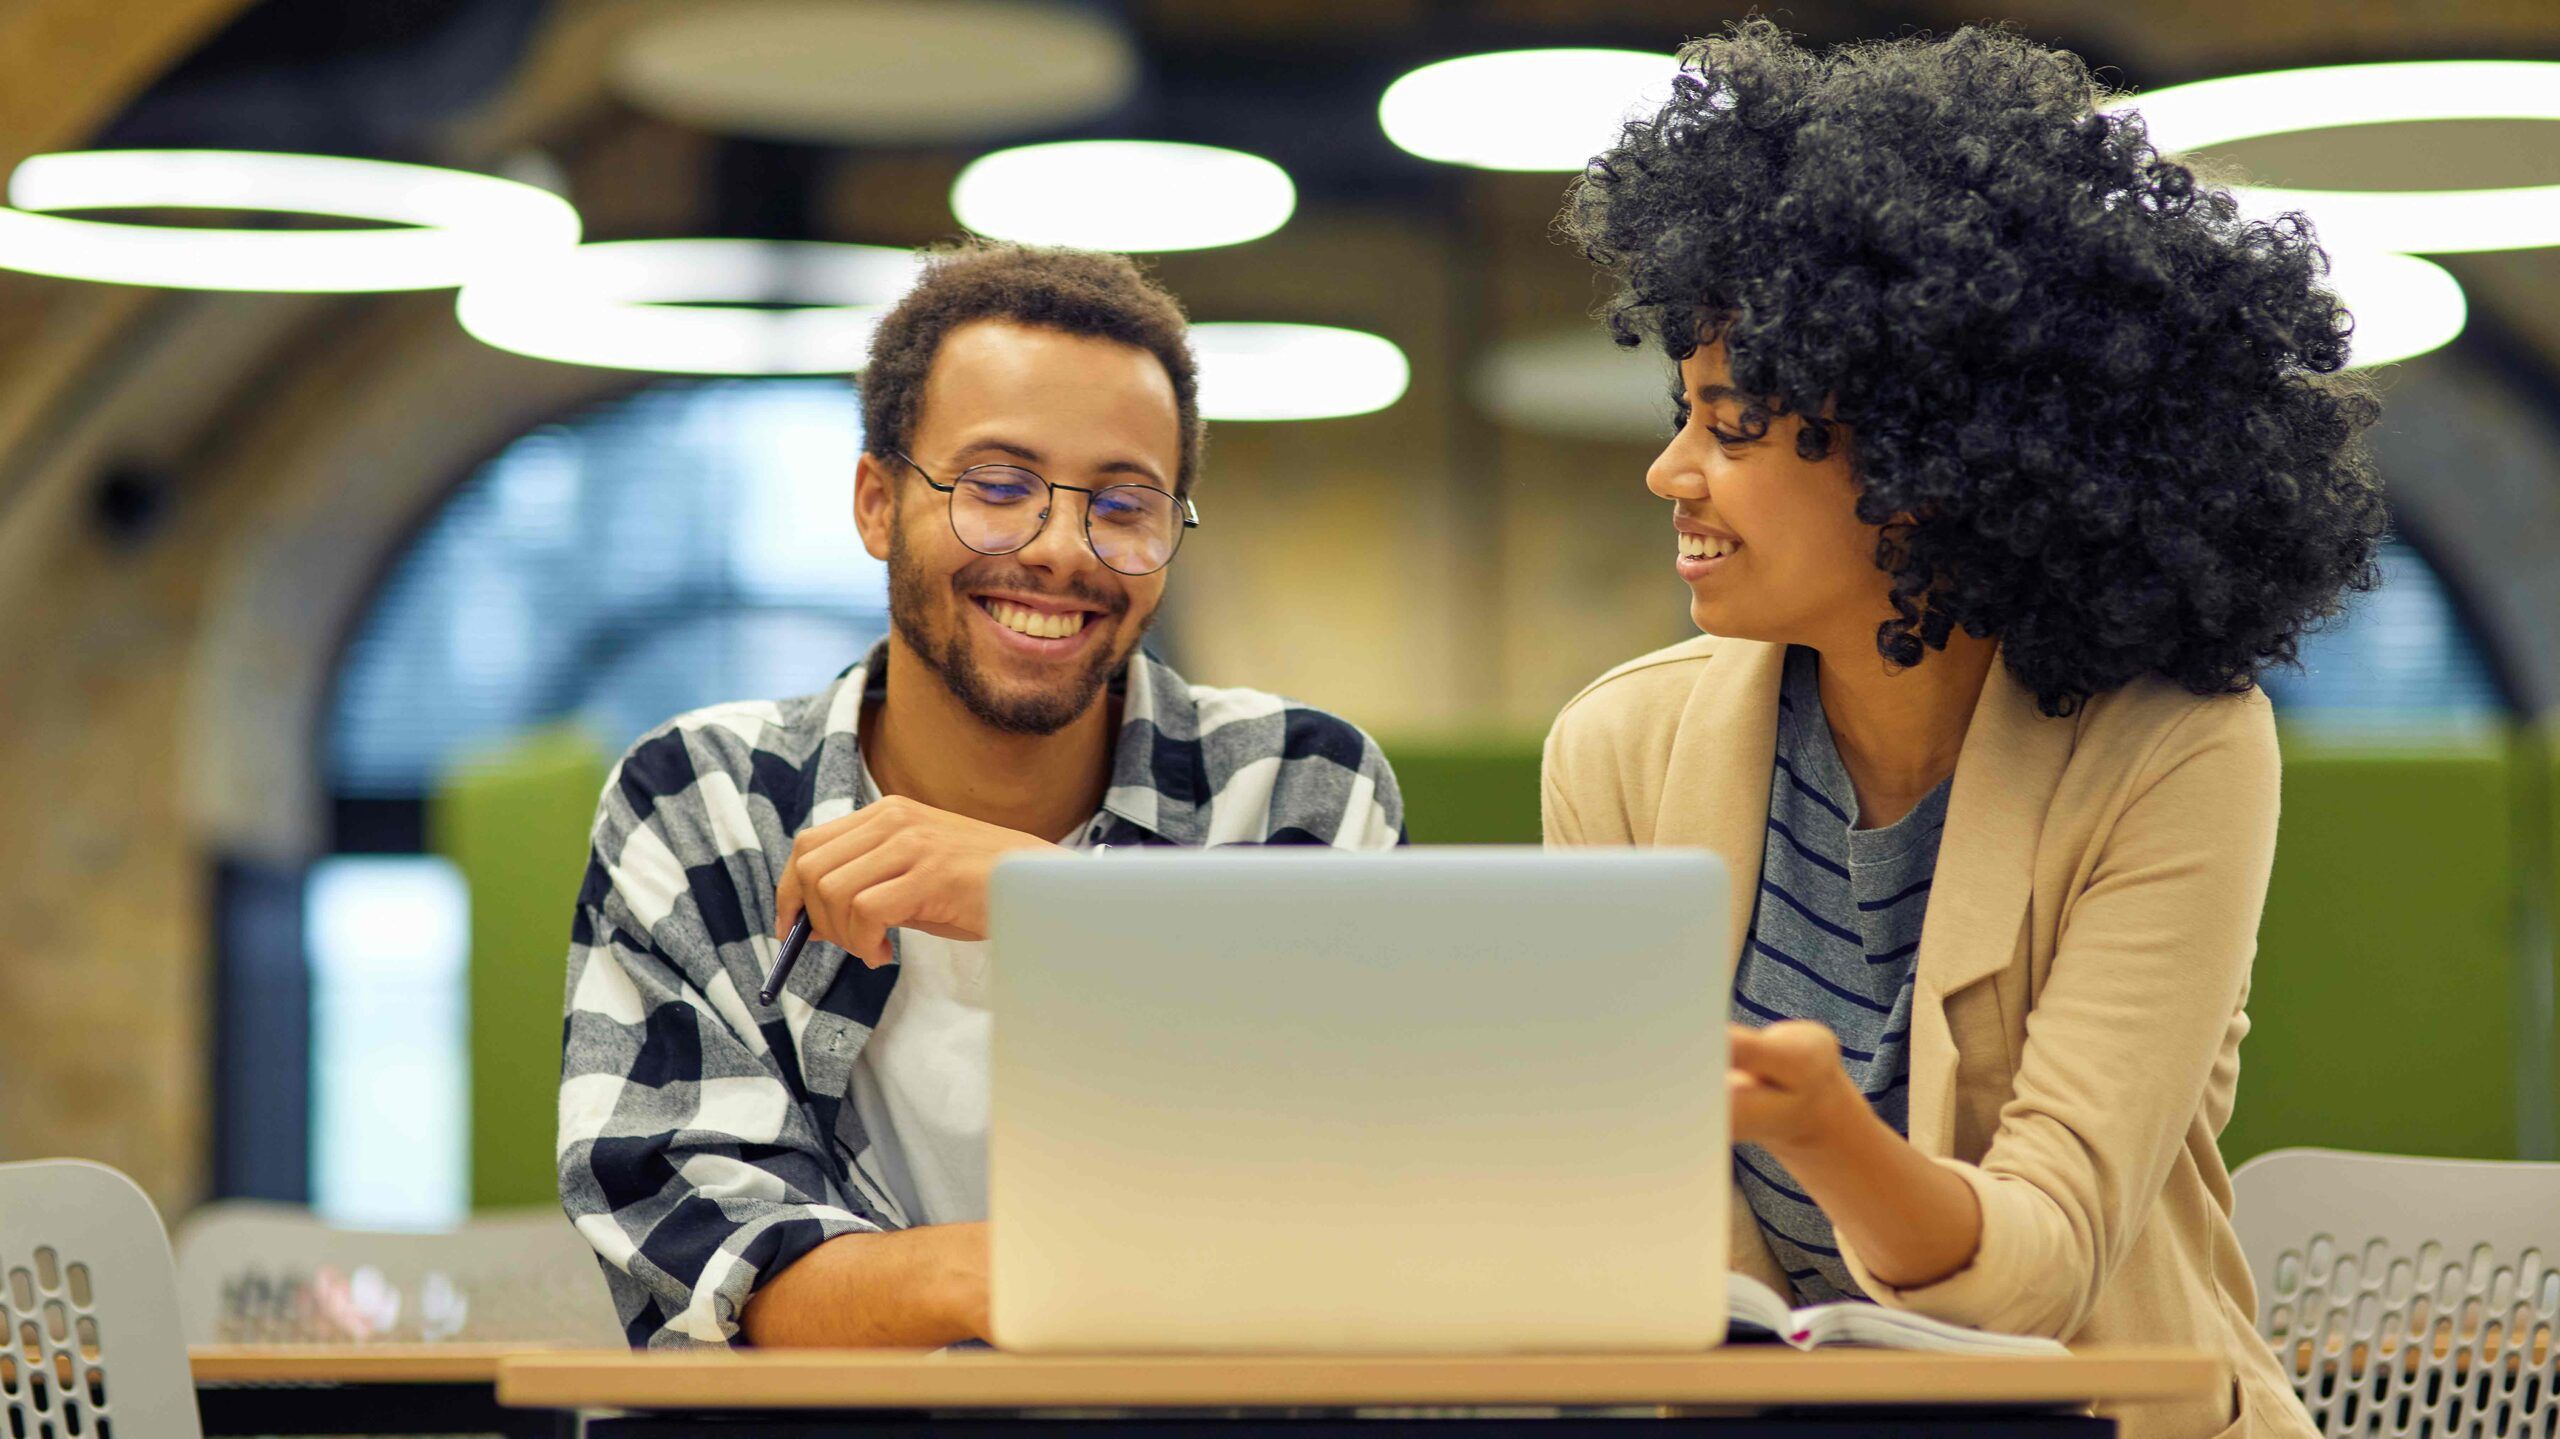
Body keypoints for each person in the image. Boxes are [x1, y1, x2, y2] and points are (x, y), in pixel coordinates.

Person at [1543, 22, 2382, 1439]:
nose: (1668, 470)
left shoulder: (2173, 747)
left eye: (1732, 425)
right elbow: (1629, 1223)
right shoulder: (1620, 749)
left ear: (1927, 463)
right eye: (1682, 413)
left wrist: (1826, 1132)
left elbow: (2045, 1261)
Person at [559, 241, 1405, 1349]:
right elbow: (715, 1270)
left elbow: (1348, 1185)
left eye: (1124, 502)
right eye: (997, 487)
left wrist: (1048, 902)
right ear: (876, 501)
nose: (1061, 548)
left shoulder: (1292, 783)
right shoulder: (704, 801)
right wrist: (1040, 1276)